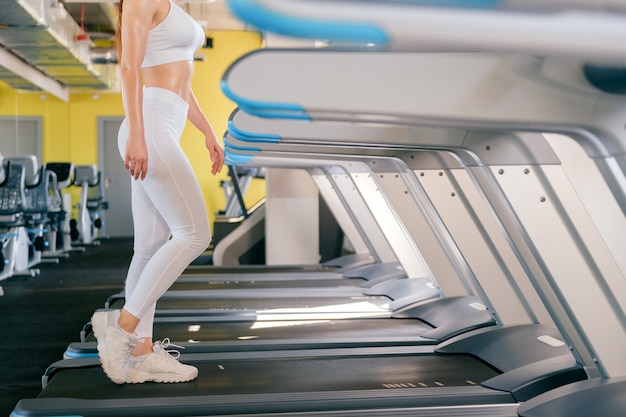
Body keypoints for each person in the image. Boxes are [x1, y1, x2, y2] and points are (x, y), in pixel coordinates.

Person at [91, 0, 224, 384]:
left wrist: (207, 131)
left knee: (148, 248)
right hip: (150, 124)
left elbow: (183, 80)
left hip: (166, 120)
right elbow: (130, 67)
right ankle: (121, 328)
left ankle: (142, 352)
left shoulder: (169, 4)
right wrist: (136, 133)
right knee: (195, 234)